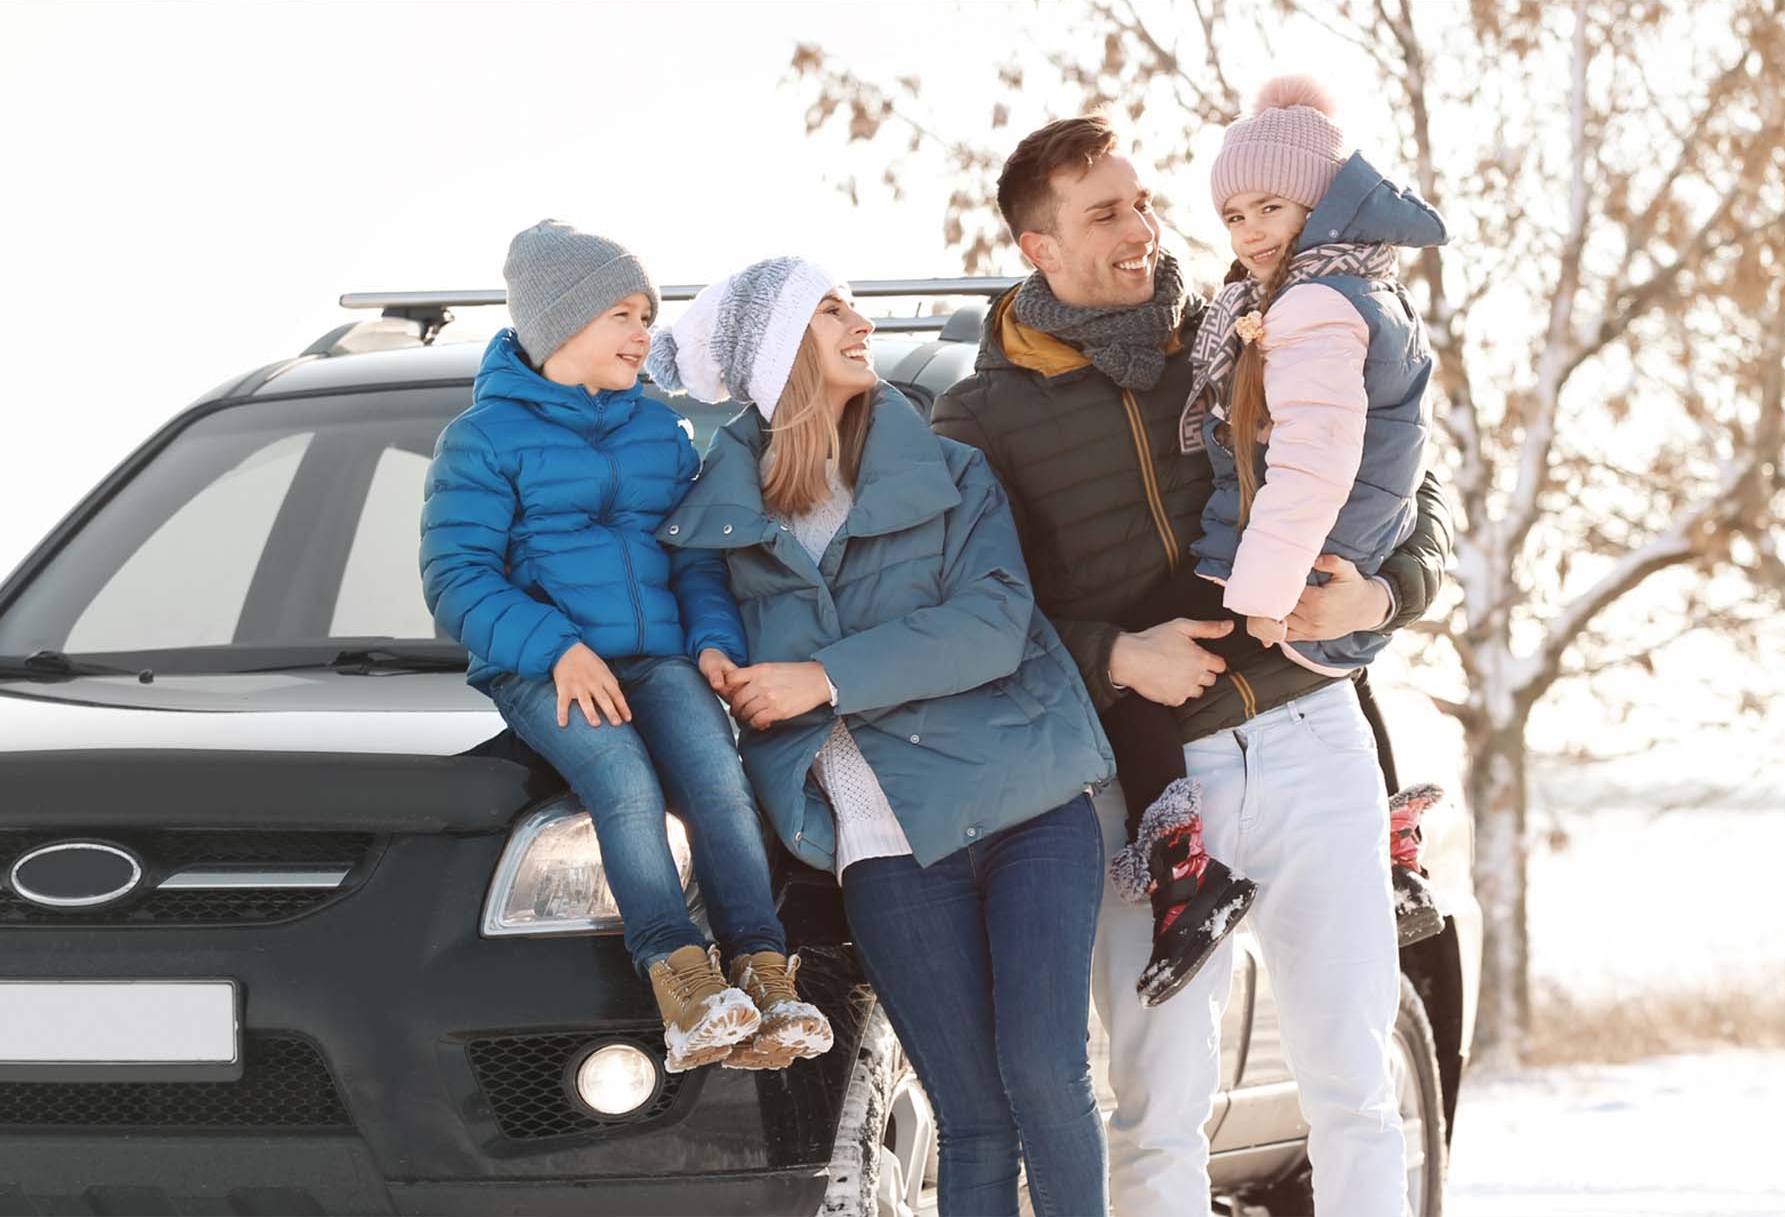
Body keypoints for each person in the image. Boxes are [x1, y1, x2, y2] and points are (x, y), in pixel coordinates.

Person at [928, 101, 1453, 1215]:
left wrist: (1387, 587)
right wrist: (1115, 656)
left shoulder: (1247, 323)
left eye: (1145, 201)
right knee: (1157, 1113)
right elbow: (972, 619)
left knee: (1355, 1089)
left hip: (1315, 734)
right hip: (1150, 786)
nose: (1144, 229)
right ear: (1040, 247)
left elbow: (1411, 477)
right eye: (1106, 212)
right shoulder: (980, 417)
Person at [653, 256, 1114, 1215]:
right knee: (971, 1118)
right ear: (776, 350)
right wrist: (710, 656)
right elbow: (695, 622)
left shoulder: (950, 469)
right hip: (883, 846)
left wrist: (821, 678)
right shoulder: (718, 519)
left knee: (1044, 1076)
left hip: (1025, 809)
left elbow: (992, 625)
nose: (859, 325)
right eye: (831, 312)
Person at [419, 222, 831, 1075]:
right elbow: (458, 576)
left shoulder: (659, 432)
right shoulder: (483, 439)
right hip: (547, 663)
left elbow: (692, 558)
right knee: (624, 780)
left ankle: (760, 973)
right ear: (558, 322)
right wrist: (555, 650)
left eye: (649, 313)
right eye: (623, 313)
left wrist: (714, 643)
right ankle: (679, 979)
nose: (646, 333)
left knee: (720, 782)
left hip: (659, 657)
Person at [1102, 74, 1447, 1009]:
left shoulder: (1311, 307)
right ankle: (1391, 840)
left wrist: (1257, 590)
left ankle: (1183, 873)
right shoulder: (1347, 286)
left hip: (1287, 558)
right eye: (1234, 213)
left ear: (1321, 202)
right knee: (1345, 670)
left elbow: (1313, 466)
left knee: (1132, 656)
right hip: (1331, 553)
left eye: (1272, 207)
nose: (1250, 231)